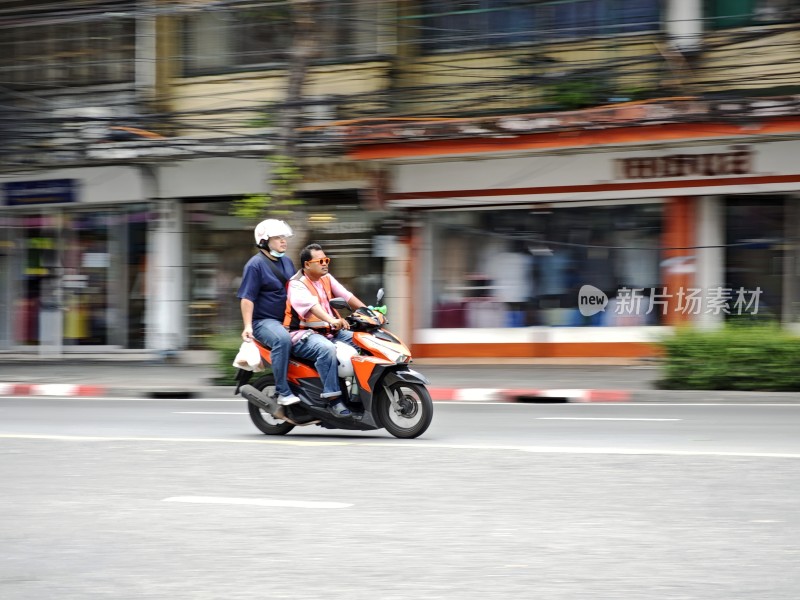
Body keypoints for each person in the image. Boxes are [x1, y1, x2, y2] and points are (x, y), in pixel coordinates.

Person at [286, 243, 366, 417]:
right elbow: (313, 307)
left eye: (326, 260)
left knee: (364, 341)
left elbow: (347, 296)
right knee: (326, 350)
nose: (325, 263)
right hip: (301, 335)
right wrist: (332, 320)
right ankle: (333, 400)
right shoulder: (297, 284)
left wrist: (368, 312)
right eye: (320, 260)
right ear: (307, 264)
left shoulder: (326, 278)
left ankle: (357, 393)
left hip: (329, 332)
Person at [237, 219, 300, 406]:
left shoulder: (287, 262)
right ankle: (283, 391)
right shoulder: (255, 265)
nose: (283, 241)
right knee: (282, 339)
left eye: (284, 237)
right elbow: (247, 298)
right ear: (264, 241)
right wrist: (248, 326)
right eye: (278, 237)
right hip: (264, 321)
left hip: (287, 319)